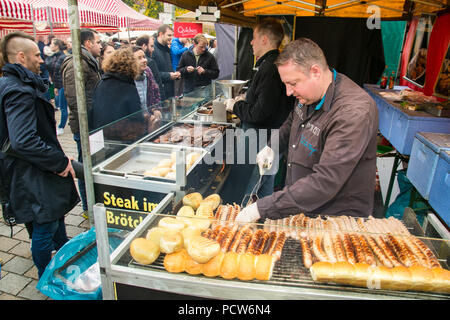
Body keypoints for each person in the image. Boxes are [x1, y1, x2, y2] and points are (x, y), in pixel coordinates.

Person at [235, 38, 379, 223]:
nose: (288, 92)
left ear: (315, 72)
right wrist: (272, 147)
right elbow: (292, 121)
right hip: (302, 208)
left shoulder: (353, 112)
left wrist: (261, 208)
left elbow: (326, 181)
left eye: (293, 83)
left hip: (336, 219)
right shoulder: (309, 95)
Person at [0, 32, 80, 278]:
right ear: (21, 57)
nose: (41, 60)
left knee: (49, 219)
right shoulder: (18, 90)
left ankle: (64, 255)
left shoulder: (14, 83)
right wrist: (60, 163)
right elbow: (23, 140)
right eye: (37, 55)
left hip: (30, 168)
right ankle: (48, 277)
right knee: (44, 224)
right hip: (32, 171)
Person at [224, 19, 294, 199]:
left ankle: (243, 222)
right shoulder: (272, 63)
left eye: (254, 38)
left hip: (260, 138)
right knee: (264, 184)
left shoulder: (270, 68)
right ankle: (261, 220)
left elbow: (259, 114)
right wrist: (247, 99)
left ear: (264, 39)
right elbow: (267, 104)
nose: (251, 42)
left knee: (249, 188)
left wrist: (235, 105)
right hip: (270, 137)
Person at [61, 28, 101, 217]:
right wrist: (88, 126)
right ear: (88, 43)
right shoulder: (76, 64)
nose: (100, 46)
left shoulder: (89, 62)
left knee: (92, 165)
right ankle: (87, 207)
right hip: (85, 127)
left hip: (94, 125)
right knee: (85, 167)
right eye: (98, 42)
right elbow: (74, 99)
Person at [89, 48, 146, 142]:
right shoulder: (128, 87)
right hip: (122, 138)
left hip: (102, 135)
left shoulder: (101, 83)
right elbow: (137, 116)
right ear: (132, 65)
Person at [132, 46, 162, 133]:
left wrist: (156, 108)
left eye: (144, 57)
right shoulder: (126, 77)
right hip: (134, 124)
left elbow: (155, 91)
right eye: (139, 58)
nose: (144, 60)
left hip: (149, 120)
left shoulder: (147, 71)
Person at [45, 38, 67, 135]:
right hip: (58, 85)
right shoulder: (53, 57)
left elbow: (60, 73)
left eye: (52, 44)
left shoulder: (62, 57)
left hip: (63, 84)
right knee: (62, 106)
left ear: (57, 46)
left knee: (63, 107)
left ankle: (61, 126)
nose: (50, 45)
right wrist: (55, 86)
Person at [152, 24, 180, 99]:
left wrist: (175, 74)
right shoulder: (153, 50)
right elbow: (153, 74)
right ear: (161, 34)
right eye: (169, 35)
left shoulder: (166, 49)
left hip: (169, 92)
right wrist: (169, 75)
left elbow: (168, 68)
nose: (171, 38)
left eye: (172, 35)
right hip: (160, 94)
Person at [136, 34, 164, 100]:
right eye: (151, 46)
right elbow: (157, 85)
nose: (153, 49)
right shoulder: (150, 62)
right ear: (144, 46)